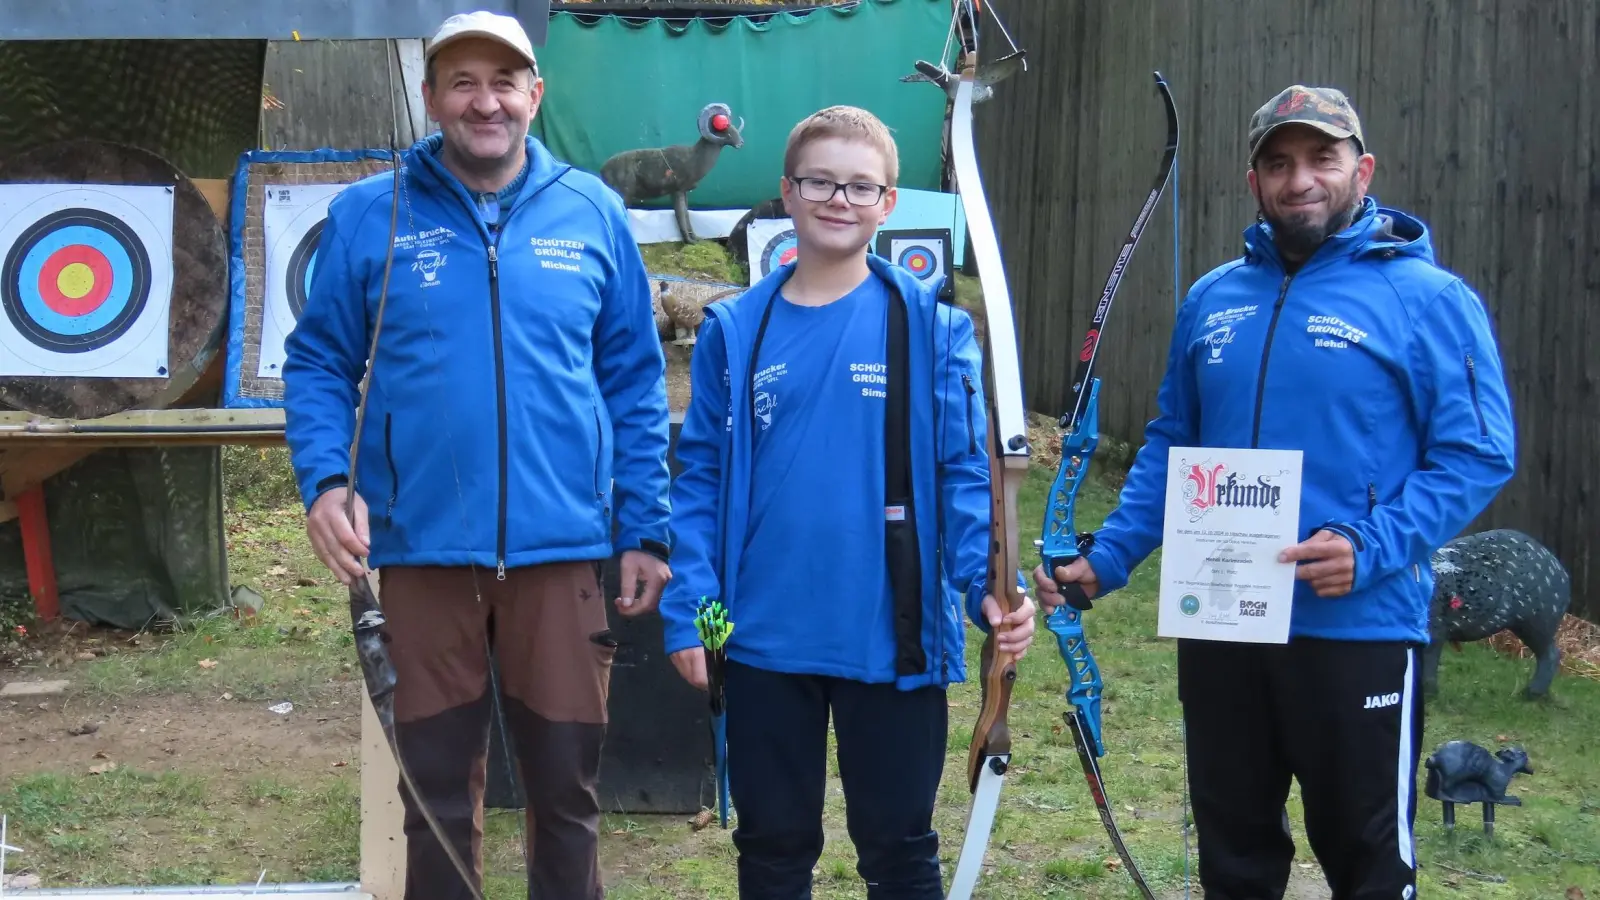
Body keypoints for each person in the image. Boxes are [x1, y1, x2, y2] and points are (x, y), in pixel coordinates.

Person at [1036, 84, 1517, 898]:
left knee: (1367, 860)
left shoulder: (1428, 298)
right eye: (1279, 162)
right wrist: (1109, 556)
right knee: (1236, 856)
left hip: (1357, 626)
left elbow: (1478, 453)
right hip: (1221, 621)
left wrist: (1371, 546)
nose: (1301, 180)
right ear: (1253, 181)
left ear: (1361, 171)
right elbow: (1173, 445)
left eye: (1322, 159)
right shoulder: (1213, 299)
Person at [282, 11, 672, 899]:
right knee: (435, 798)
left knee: (567, 794)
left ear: (535, 94)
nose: (484, 101)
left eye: (504, 82)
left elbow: (636, 383)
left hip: (563, 551)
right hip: (421, 553)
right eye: (462, 82)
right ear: (431, 98)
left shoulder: (592, 212)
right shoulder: (367, 216)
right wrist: (326, 480)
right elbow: (318, 362)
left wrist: (645, 525)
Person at [659, 105, 1039, 899]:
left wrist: (988, 587)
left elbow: (965, 476)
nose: (840, 199)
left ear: (888, 204)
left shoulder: (933, 330)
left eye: (861, 186)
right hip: (761, 640)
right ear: (788, 194)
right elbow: (698, 481)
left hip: (891, 643)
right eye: (821, 181)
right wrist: (690, 609)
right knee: (771, 847)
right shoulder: (738, 329)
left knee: (900, 852)